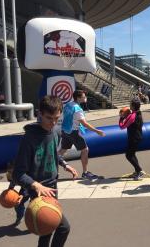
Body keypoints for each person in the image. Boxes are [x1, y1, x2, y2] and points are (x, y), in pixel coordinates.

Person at [13, 95, 78, 247]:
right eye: (49, 118)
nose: (53, 122)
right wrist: (36, 186)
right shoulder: (29, 138)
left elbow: (53, 152)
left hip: (52, 187)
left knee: (47, 229)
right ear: (39, 114)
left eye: (57, 118)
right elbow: (18, 173)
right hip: (39, 192)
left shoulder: (55, 131)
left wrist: (63, 164)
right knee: (63, 228)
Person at [58, 90, 105, 180]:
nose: (85, 98)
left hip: (65, 131)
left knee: (62, 150)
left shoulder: (68, 105)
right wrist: (96, 131)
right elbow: (85, 124)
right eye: (83, 97)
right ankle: (85, 172)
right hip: (73, 132)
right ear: (78, 98)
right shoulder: (78, 109)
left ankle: (49, 166)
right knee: (85, 150)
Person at [119, 97, 145, 180]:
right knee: (132, 154)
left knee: (128, 155)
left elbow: (122, 126)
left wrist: (121, 117)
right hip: (137, 136)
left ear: (133, 106)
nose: (129, 106)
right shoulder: (138, 113)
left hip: (134, 138)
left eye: (130, 104)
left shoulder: (133, 115)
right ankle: (137, 171)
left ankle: (139, 170)